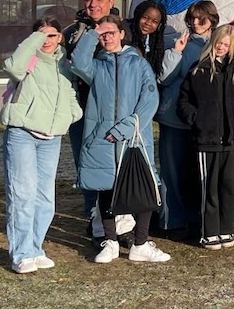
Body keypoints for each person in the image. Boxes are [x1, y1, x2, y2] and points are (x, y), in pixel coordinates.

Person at [71, 16, 171, 264]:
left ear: (121, 34)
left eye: (111, 32)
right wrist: (92, 34)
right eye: (103, 34)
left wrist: (126, 128)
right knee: (106, 188)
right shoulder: (97, 66)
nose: (107, 37)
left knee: (143, 187)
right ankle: (110, 242)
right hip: (104, 138)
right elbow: (78, 62)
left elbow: (149, 101)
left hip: (134, 138)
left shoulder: (139, 64)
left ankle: (141, 243)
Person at [0, 16, 82, 273]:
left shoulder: (64, 64)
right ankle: (21, 254)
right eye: (41, 34)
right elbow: (12, 68)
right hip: (22, 134)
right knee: (22, 195)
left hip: (51, 138)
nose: (47, 40)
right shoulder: (27, 58)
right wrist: (35, 39)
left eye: (52, 35)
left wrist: (71, 114)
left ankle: (35, 248)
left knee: (45, 199)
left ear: (60, 37)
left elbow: (70, 94)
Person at [177, 25, 234, 249]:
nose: (221, 47)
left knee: (229, 185)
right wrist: (197, 119)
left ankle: (227, 228)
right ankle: (210, 231)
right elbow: (184, 100)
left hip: (233, 139)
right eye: (219, 43)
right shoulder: (199, 69)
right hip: (207, 139)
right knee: (209, 187)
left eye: (226, 44)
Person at [156, 0, 217, 237]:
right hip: (174, 117)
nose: (196, 22)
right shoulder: (180, 43)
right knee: (172, 172)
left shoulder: (217, 45)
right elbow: (165, 78)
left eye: (201, 18)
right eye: (192, 17)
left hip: (203, 120)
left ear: (212, 20)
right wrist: (176, 52)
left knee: (198, 173)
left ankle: (198, 219)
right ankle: (172, 221)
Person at [62, 0, 116, 232]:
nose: (93, 5)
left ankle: (115, 209)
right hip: (82, 107)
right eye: (88, 0)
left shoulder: (121, 29)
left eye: (99, 0)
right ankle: (91, 209)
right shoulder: (72, 32)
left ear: (111, 2)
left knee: (111, 159)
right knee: (83, 158)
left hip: (112, 109)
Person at [130, 0, 168, 79]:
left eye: (155, 21)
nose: (148, 23)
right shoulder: (124, 35)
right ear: (138, 15)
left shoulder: (153, 42)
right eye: (145, 17)